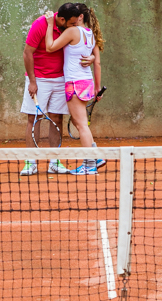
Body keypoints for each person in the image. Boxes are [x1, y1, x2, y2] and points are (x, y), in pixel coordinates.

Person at [19, 4, 88, 176]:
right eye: (72, 24)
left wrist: (92, 57)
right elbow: (28, 53)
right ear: (62, 20)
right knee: (34, 118)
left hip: (61, 78)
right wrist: (32, 81)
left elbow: (87, 45)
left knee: (57, 118)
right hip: (39, 79)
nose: (74, 27)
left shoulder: (71, 27)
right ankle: (31, 162)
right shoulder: (40, 24)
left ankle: (54, 162)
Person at [42, 4, 103, 175]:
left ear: (79, 17)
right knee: (79, 122)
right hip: (87, 82)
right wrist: (97, 87)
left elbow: (50, 47)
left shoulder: (72, 32)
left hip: (75, 83)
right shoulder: (90, 34)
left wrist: (48, 25)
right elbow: (95, 60)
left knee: (82, 125)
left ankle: (89, 165)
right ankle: (96, 157)